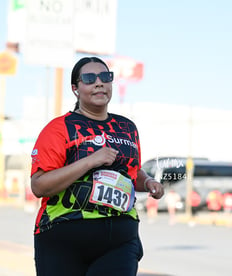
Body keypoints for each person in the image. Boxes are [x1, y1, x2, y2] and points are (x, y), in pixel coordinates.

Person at [30, 56, 164, 276]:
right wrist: (91, 160)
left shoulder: (127, 127)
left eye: (105, 77)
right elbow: (39, 186)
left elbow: (131, 172)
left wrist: (148, 181)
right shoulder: (59, 128)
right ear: (75, 88)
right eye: (90, 78)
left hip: (120, 238)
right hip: (63, 237)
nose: (99, 82)